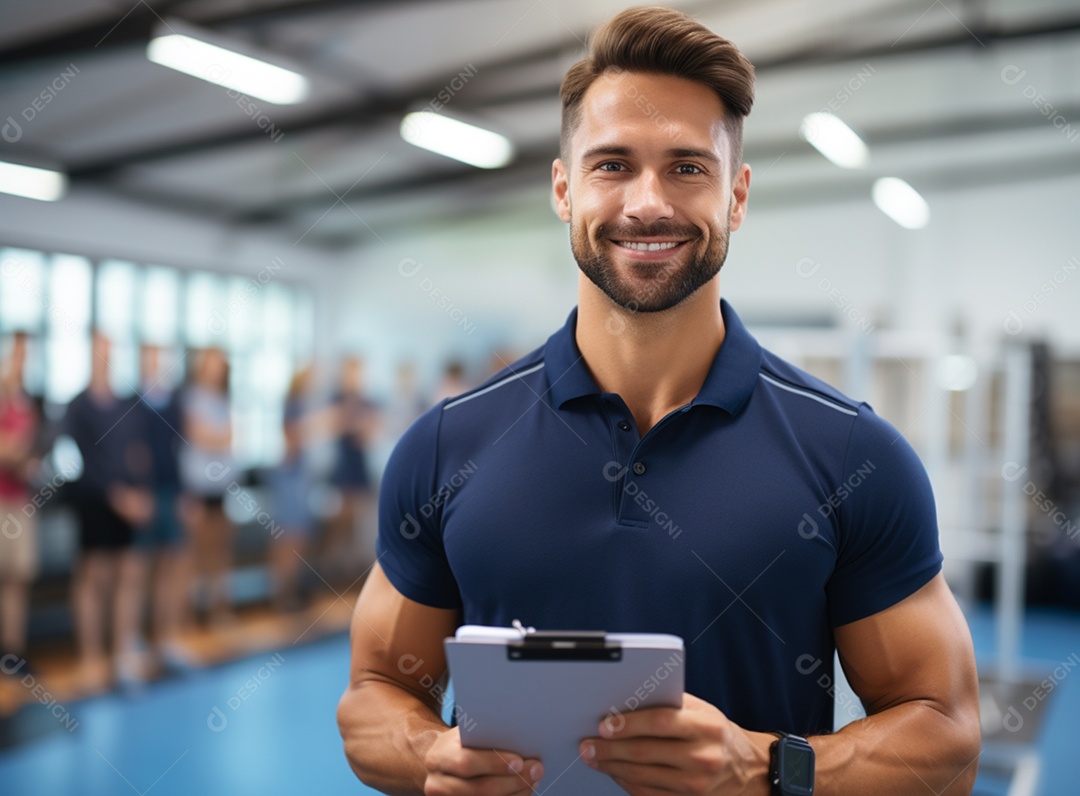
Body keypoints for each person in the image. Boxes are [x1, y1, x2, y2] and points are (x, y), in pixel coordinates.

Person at [338, 7, 980, 796]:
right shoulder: (446, 445)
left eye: (687, 167)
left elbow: (946, 734)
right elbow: (373, 698)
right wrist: (429, 755)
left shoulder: (852, 455)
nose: (649, 203)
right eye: (613, 165)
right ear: (564, 188)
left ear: (736, 197)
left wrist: (766, 766)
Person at [64, 332, 153, 691]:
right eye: (99, 351)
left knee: (129, 576)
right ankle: (91, 657)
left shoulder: (127, 404)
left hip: (129, 504)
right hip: (95, 502)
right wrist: (115, 495)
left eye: (109, 352)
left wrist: (141, 493)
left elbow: (137, 453)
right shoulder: (77, 406)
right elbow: (80, 461)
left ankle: (122, 655)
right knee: (94, 578)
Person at [132, 344, 191, 672]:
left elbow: (178, 450)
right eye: (149, 356)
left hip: (171, 492)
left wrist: (183, 493)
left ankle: (166, 639)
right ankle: (134, 640)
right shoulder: (132, 404)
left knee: (171, 567)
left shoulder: (173, 403)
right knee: (139, 570)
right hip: (144, 495)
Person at [179, 347, 234, 627]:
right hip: (196, 487)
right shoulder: (190, 398)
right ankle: (186, 616)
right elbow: (201, 436)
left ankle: (217, 611)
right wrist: (218, 436)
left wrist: (218, 437)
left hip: (220, 487)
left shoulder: (222, 400)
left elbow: (229, 437)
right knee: (192, 554)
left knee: (218, 552)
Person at [0, 333, 40, 673]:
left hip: (21, 501)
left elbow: (26, 451)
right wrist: (16, 451)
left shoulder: (25, 401)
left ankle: (13, 653)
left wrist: (23, 456)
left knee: (18, 577)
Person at [323, 356, 379, 588]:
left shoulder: (366, 401)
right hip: (343, 469)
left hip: (359, 469)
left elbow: (369, 433)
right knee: (341, 523)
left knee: (357, 526)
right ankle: (331, 572)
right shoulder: (337, 398)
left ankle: (350, 575)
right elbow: (336, 425)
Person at [268, 366, 316, 612]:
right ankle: (282, 595)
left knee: (299, 538)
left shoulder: (305, 405)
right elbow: (293, 439)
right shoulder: (294, 405)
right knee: (287, 537)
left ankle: (292, 591)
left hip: (301, 479)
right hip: (290, 480)